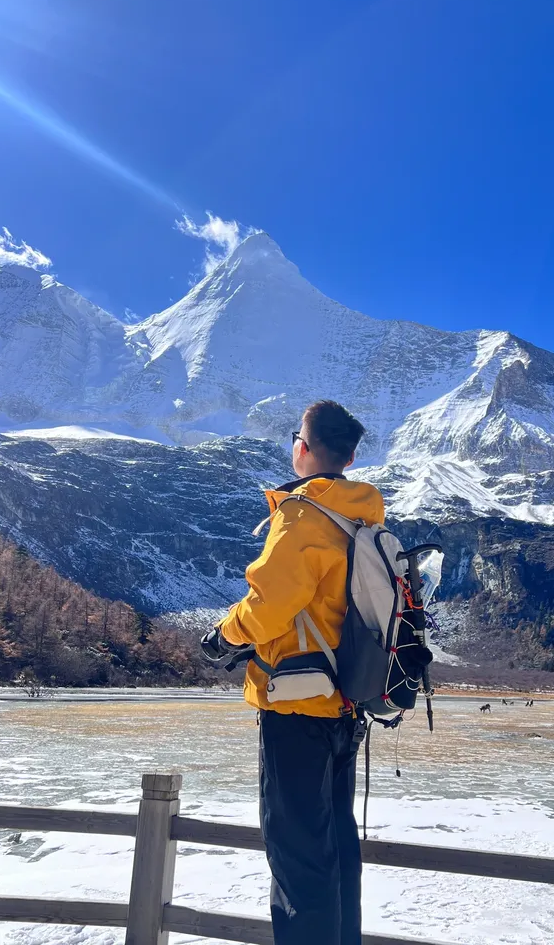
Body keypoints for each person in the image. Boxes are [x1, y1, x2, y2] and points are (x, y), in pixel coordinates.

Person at [203, 400, 384, 945]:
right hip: (345, 703)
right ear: (349, 455)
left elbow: (270, 603)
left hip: (295, 705)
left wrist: (223, 635)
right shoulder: (364, 515)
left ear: (302, 447)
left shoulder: (304, 514)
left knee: (298, 856)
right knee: (336, 852)